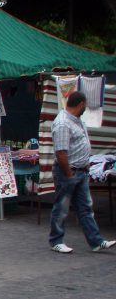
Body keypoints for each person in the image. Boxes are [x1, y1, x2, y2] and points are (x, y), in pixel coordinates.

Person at [49, 91, 115, 253]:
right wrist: (69, 174)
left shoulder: (77, 121)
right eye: (85, 105)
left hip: (81, 171)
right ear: (81, 104)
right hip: (68, 171)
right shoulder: (63, 123)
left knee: (86, 208)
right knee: (62, 207)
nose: (86, 108)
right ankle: (56, 241)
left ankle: (96, 241)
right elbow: (61, 152)